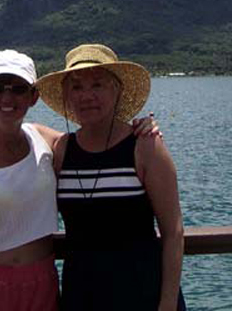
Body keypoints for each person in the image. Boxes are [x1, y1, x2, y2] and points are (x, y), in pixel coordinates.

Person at [0, 50, 160, 311]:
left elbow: (95, 143)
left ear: (33, 97)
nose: (7, 98)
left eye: (18, 89)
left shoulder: (48, 142)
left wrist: (140, 130)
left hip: (41, 283)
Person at [37, 43, 186, 311]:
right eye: (77, 87)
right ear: (67, 96)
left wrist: (167, 303)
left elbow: (173, 232)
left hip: (142, 294)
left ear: (116, 91)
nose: (87, 95)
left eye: (97, 85)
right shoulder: (62, 150)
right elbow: (21, 129)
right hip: (80, 296)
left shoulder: (145, 146)